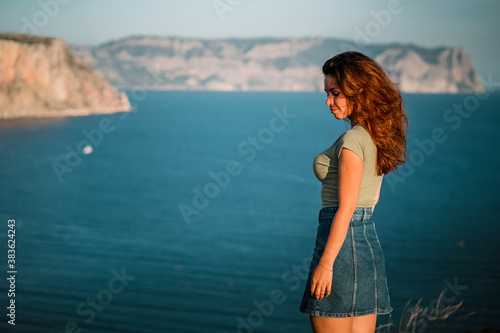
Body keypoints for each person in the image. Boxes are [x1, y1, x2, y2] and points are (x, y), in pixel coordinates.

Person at [299, 51, 408, 333]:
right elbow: (372, 199)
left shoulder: (351, 140)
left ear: (357, 92)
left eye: (335, 93)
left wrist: (325, 264)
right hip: (367, 245)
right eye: (327, 93)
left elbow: (346, 209)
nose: (328, 101)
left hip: (338, 244)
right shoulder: (376, 137)